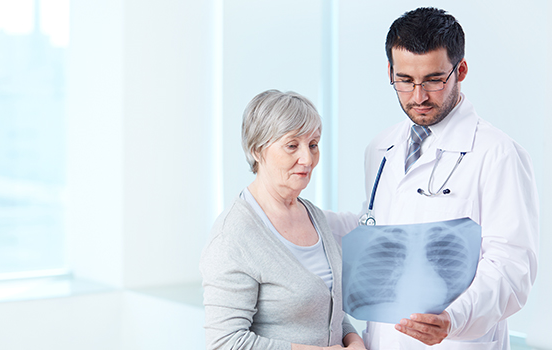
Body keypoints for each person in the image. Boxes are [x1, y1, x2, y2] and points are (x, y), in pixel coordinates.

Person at [353, 7, 539, 350]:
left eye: (434, 80)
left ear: (461, 70)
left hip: (457, 340)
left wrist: (455, 318)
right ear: (391, 72)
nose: (419, 96)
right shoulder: (380, 149)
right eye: (405, 81)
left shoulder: (497, 153)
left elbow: (512, 268)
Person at [200, 89, 366, 350]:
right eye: (292, 145)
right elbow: (226, 343)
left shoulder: (314, 215)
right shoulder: (232, 236)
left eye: (313, 144)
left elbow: (326, 310)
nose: (307, 159)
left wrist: (353, 339)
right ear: (257, 150)